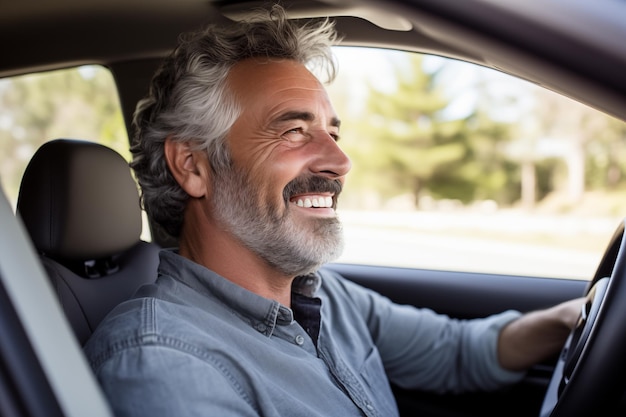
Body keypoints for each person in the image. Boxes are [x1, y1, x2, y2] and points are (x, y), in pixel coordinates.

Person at [83, 5, 584, 417]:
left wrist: (572, 319)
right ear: (192, 166)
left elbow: (456, 353)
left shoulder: (326, 296)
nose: (340, 162)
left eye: (333, 133)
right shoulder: (164, 362)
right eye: (293, 131)